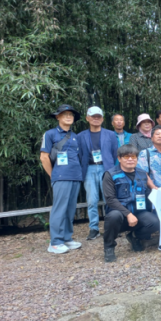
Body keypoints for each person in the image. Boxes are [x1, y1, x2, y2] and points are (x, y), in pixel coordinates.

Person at [102, 144, 161, 262]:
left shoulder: (142, 173)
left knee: (155, 222)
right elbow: (110, 199)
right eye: (126, 157)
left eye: (133, 157)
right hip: (119, 214)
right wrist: (128, 214)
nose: (130, 159)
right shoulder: (110, 175)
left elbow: (149, 193)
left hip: (138, 212)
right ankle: (109, 247)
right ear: (119, 158)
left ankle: (135, 236)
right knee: (113, 216)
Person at [40, 104, 83, 254]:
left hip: (75, 176)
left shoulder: (75, 136)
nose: (68, 116)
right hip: (60, 176)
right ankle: (55, 242)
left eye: (71, 114)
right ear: (57, 117)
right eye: (65, 114)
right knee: (59, 208)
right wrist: (53, 175)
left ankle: (66, 238)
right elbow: (44, 157)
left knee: (70, 208)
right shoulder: (50, 134)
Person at [77, 106, 118, 240]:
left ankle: (110, 226)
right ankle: (94, 228)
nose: (96, 119)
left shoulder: (110, 134)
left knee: (109, 199)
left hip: (106, 168)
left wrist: (113, 170)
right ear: (87, 118)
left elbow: (114, 153)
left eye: (98, 117)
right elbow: (80, 155)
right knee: (91, 200)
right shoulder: (80, 136)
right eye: (93, 116)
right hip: (89, 168)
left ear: (102, 119)